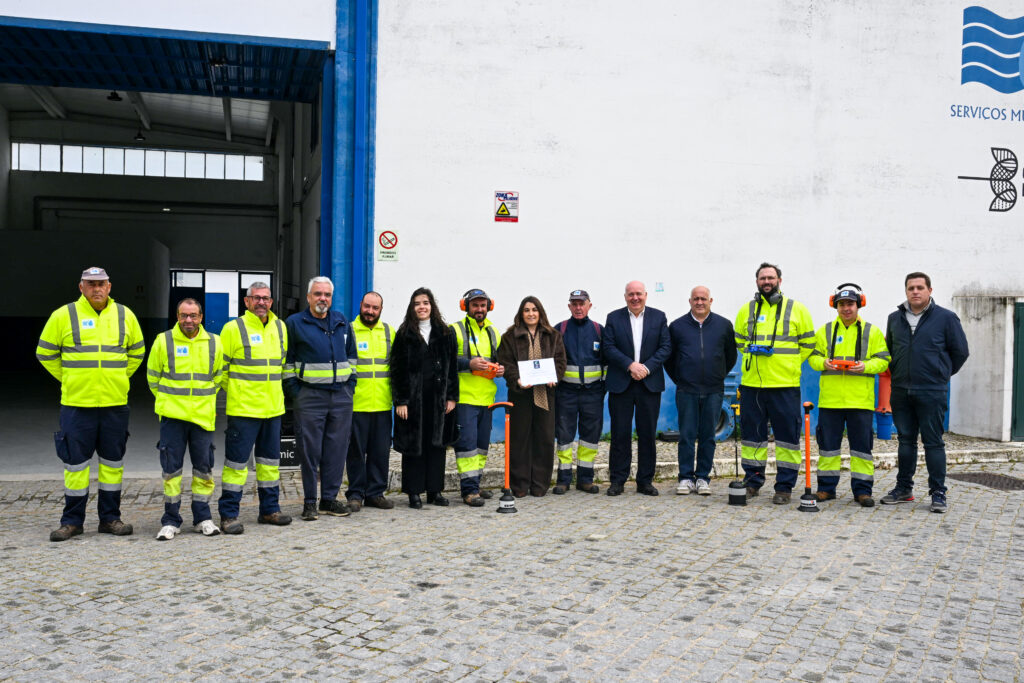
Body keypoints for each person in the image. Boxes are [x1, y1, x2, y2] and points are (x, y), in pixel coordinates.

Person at [36, 267, 145, 542]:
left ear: (110, 286)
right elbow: (45, 353)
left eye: (101, 284)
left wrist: (117, 377)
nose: (96, 289)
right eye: (91, 284)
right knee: (75, 465)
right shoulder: (64, 315)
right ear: (81, 287)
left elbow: (138, 352)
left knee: (112, 465)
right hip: (76, 404)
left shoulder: (125, 315)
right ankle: (72, 522)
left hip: (114, 404)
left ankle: (110, 519)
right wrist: (70, 378)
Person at [882, 272, 969, 513]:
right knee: (905, 441)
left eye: (920, 287)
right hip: (901, 390)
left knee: (933, 442)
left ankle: (938, 492)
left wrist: (940, 374)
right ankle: (904, 489)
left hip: (932, 390)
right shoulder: (894, 318)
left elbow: (960, 352)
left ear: (929, 290)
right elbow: (889, 351)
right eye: (911, 288)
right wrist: (898, 372)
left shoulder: (946, 318)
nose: (915, 291)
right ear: (906, 291)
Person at [733, 262, 815, 504]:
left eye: (771, 277)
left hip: (785, 385)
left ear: (780, 280)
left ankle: (784, 487)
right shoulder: (746, 310)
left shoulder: (797, 309)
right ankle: (752, 481)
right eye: (762, 278)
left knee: (787, 438)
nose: (766, 282)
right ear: (756, 281)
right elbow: (738, 340)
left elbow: (808, 344)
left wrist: (789, 365)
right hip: (753, 385)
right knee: (752, 438)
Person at [147, 298, 225, 539]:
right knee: (171, 470)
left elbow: (219, 376)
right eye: (183, 315)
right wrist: (169, 402)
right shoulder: (164, 340)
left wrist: (204, 399)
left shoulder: (214, 342)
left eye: (193, 315)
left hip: (202, 417)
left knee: (204, 470)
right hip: (172, 417)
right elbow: (152, 376)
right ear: (177, 316)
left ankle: (203, 518)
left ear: (201, 317)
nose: (188, 320)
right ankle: (171, 521)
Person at [217, 281, 291, 533]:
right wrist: (238, 393)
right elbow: (221, 370)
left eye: (266, 298)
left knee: (270, 464)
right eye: (256, 298)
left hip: (272, 410)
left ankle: (269, 510)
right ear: (246, 301)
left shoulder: (281, 327)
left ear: (271, 302)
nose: (261, 302)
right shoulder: (232, 329)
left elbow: (281, 366)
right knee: (236, 466)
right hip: (243, 411)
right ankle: (228, 515)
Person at [806, 284, 890, 508]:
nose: (846, 308)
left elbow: (883, 359)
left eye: (850, 304)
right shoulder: (824, 331)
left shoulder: (872, 331)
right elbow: (812, 358)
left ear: (858, 304)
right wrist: (823, 362)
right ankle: (825, 489)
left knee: (862, 449)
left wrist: (866, 366)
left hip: (859, 402)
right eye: (842, 304)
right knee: (828, 448)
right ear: (836, 306)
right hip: (830, 401)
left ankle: (862, 492)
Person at [283, 276, 357, 522]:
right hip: (309, 396)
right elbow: (288, 361)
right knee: (309, 450)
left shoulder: (342, 322)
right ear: (308, 297)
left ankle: (328, 499)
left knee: (336, 450)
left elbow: (352, 357)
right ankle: (309, 502)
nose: (322, 298)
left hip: (341, 396)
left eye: (326, 294)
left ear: (331, 297)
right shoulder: (294, 323)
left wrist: (350, 385)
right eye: (317, 294)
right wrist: (296, 391)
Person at [391, 288, 459, 509]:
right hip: (413, 402)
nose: (422, 307)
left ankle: (434, 490)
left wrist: (451, 397)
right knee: (414, 446)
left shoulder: (445, 334)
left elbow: (452, 369)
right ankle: (414, 492)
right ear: (412, 307)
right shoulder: (404, 335)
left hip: (438, 400)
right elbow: (398, 370)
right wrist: (400, 400)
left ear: (432, 306)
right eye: (417, 303)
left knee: (436, 445)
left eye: (426, 303)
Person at [603, 281, 671, 496]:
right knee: (620, 434)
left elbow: (665, 347)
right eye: (631, 294)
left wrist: (647, 368)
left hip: (649, 384)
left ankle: (645, 481)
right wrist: (629, 365)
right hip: (621, 383)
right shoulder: (613, 318)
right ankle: (617, 480)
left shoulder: (659, 317)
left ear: (646, 295)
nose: (635, 298)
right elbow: (608, 347)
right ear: (625, 297)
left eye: (638, 294)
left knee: (647, 434)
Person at [667, 286, 737, 496]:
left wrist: (718, 376)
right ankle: (686, 478)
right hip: (686, 389)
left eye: (703, 299)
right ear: (690, 301)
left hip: (714, 389)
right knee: (687, 435)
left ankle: (703, 478)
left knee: (708, 435)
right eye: (696, 299)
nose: (699, 302)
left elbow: (730, 356)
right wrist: (681, 379)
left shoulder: (724, 325)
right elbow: (670, 360)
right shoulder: (677, 326)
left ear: (710, 301)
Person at [497, 296, 567, 497]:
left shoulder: (553, 335)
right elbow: (505, 362)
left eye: (534, 309)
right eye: (526, 310)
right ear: (521, 313)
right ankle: (519, 485)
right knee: (520, 439)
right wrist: (516, 379)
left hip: (546, 393)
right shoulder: (510, 337)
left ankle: (539, 484)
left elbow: (561, 361)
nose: (530, 313)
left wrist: (555, 377)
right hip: (521, 395)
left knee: (544, 439)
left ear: (540, 312)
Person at [450, 288, 505, 506]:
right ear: (466, 307)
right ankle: (469, 491)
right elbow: (445, 361)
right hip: (465, 399)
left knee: (482, 447)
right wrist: (469, 363)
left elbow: (500, 359)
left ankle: (476, 483)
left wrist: (501, 369)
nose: (479, 309)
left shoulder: (494, 331)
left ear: (489, 307)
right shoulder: (454, 330)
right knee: (467, 447)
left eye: (483, 305)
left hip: (486, 399)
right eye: (475, 305)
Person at [346, 291, 395, 511]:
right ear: (360, 305)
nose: (370, 311)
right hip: (356, 404)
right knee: (355, 452)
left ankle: (375, 493)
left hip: (383, 404)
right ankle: (355, 494)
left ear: (381, 310)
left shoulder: (389, 332)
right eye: (367, 306)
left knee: (380, 452)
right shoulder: (348, 331)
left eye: (375, 308)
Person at [553, 289, 605, 495]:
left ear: (589, 305)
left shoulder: (599, 330)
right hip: (566, 393)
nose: (578, 307)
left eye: (581, 303)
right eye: (574, 304)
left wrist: (602, 389)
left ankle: (585, 479)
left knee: (590, 438)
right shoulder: (560, 330)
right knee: (564, 437)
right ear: (569, 306)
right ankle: (563, 480)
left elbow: (607, 362)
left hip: (593, 394)